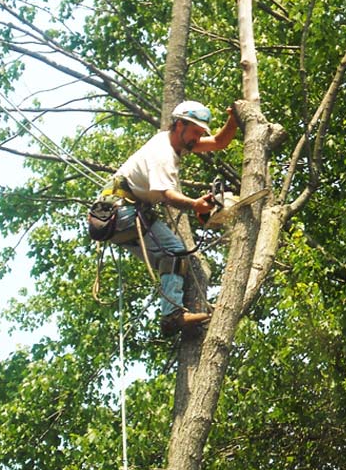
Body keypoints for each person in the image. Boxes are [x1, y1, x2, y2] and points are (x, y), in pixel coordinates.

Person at [98, 100, 240, 335]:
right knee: (175, 251)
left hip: (116, 217)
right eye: (194, 132)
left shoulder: (176, 143)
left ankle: (173, 311)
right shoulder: (162, 152)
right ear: (179, 125)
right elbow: (168, 195)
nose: (197, 138)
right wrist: (195, 204)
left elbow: (218, 142)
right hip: (121, 212)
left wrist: (233, 121)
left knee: (169, 260)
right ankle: (172, 316)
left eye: (199, 133)